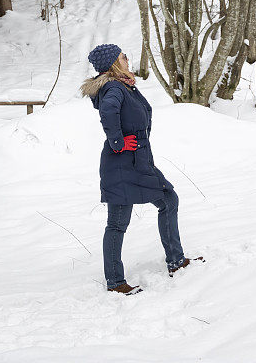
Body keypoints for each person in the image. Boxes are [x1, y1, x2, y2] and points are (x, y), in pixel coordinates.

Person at [80, 43, 203, 294]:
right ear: (114, 62)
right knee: (117, 223)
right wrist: (117, 142)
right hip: (123, 165)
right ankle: (115, 283)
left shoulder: (124, 85)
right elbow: (108, 110)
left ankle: (176, 260)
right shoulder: (114, 87)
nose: (127, 58)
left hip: (139, 162)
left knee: (168, 200)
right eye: (123, 56)